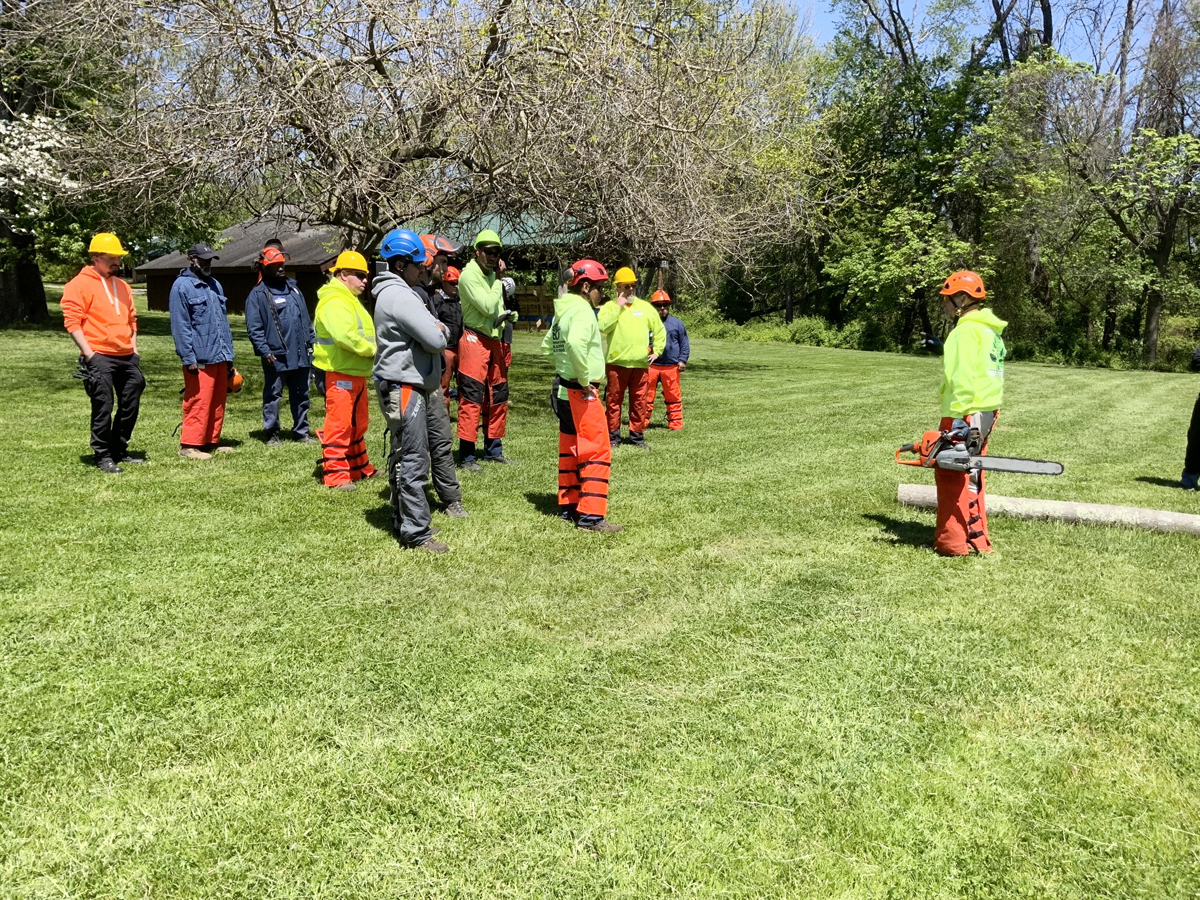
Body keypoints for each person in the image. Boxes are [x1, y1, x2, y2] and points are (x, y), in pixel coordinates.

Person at [372, 228, 453, 551]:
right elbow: (435, 338)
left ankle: (403, 519)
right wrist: (440, 329)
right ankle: (417, 532)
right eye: (417, 265)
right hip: (404, 386)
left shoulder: (390, 293)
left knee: (402, 455)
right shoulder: (401, 296)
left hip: (398, 384)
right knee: (414, 459)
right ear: (400, 264)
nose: (422, 270)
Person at [542, 260, 622, 533]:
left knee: (570, 448)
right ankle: (590, 517)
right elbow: (576, 343)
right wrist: (585, 379)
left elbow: (547, 347)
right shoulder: (584, 311)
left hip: (562, 389)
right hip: (580, 391)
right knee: (596, 450)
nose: (602, 293)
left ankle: (568, 505)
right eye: (600, 287)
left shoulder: (562, 311)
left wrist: (564, 368)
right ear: (586, 287)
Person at [934, 270, 1007, 556]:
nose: (944, 304)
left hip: (964, 411)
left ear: (962, 299)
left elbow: (963, 377)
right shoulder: (989, 331)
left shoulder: (964, 331)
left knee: (951, 475)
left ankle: (952, 543)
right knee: (973, 472)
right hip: (985, 410)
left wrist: (957, 418)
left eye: (948, 298)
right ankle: (976, 538)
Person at [61, 232, 146, 474]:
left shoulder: (123, 286)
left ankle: (119, 448)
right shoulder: (78, 285)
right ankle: (103, 455)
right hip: (99, 354)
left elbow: (132, 320)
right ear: (96, 257)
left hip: (126, 355)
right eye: (112, 258)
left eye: (119, 258)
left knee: (131, 401)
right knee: (103, 405)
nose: (117, 262)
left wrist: (134, 350)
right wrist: (90, 355)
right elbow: (72, 323)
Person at [313, 251, 377, 490]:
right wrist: (373, 350)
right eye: (359, 275)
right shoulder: (335, 300)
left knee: (358, 423)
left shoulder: (348, 298)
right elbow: (345, 337)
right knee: (339, 425)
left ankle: (359, 468)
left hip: (354, 371)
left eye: (365, 275)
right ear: (342, 275)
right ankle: (336, 476)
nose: (365, 280)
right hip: (338, 372)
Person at [456, 229, 519, 469]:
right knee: (472, 398)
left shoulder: (492, 276)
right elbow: (487, 305)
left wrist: (508, 316)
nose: (493, 256)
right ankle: (467, 456)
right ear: (478, 252)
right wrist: (498, 280)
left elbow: (497, 309)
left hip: (494, 341)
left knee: (498, 395)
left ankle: (494, 451)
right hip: (474, 340)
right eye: (489, 251)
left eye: (497, 252)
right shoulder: (469, 276)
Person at [169, 242, 235, 459]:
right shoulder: (181, 286)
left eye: (210, 260)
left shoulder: (215, 284)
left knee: (217, 400)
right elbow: (180, 325)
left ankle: (211, 441)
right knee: (198, 400)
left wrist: (229, 355)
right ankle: (189, 445)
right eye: (203, 260)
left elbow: (223, 322)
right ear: (191, 259)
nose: (207, 264)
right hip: (199, 356)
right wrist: (188, 357)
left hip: (220, 354)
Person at [244, 245, 315, 445]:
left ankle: (301, 432)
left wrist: (311, 342)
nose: (281, 268)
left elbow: (305, 320)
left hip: (301, 353)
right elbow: (254, 328)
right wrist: (264, 350)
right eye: (275, 266)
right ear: (264, 268)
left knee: (301, 394)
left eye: (282, 264)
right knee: (273, 395)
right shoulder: (258, 295)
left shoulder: (294, 289)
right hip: (276, 355)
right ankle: (272, 433)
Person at [597, 266, 666, 448]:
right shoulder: (609, 307)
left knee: (639, 402)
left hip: (640, 364)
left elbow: (659, 330)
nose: (630, 289)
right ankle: (613, 438)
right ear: (617, 288)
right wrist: (617, 307)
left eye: (633, 285)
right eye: (626, 286)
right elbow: (603, 327)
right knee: (613, 401)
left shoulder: (645, 307)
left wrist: (657, 351)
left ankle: (637, 437)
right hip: (616, 363)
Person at [646, 289, 690, 430]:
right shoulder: (647, 323)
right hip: (651, 366)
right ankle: (641, 423)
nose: (662, 308)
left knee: (673, 396)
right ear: (653, 307)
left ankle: (675, 424)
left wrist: (682, 360)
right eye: (659, 305)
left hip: (671, 366)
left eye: (665, 305)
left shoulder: (677, 324)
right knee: (646, 396)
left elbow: (684, 343)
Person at [438, 265, 464, 414]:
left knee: (465, 384)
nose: (455, 286)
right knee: (444, 385)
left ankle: (465, 418)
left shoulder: (460, 301)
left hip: (460, 348)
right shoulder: (437, 300)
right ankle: (444, 417)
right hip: (446, 349)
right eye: (452, 283)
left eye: (457, 283)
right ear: (444, 282)